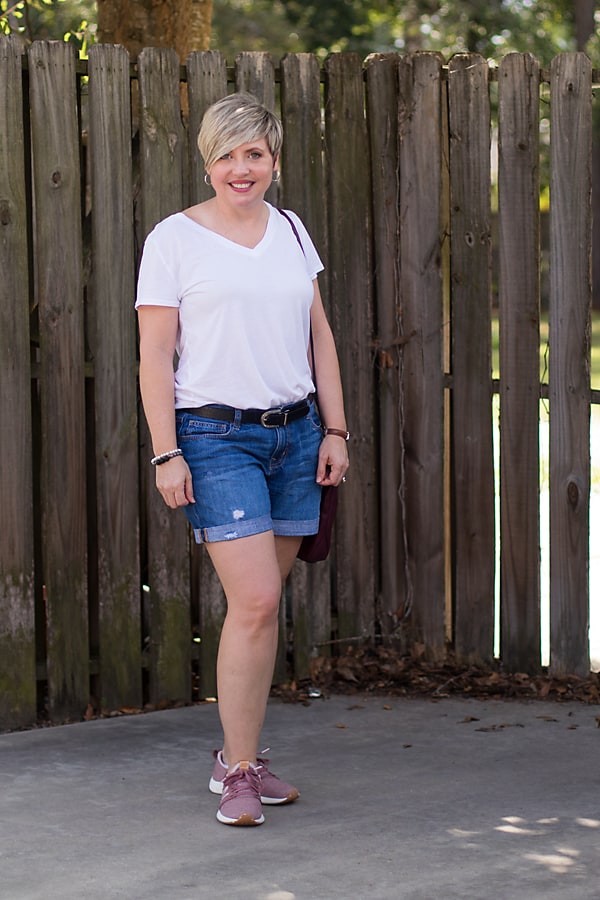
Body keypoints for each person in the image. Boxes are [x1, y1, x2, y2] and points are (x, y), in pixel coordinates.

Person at [136, 92, 349, 827]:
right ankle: (235, 772)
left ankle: (241, 760)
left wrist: (336, 431)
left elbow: (318, 335)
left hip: (297, 437)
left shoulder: (291, 230)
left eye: (253, 153)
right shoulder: (174, 239)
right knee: (257, 602)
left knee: (257, 611)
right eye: (227, 154)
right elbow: (155, 355)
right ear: (207, 161)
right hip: (214, 439)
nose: (241, 168)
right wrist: (167, 452)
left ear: (274, 161)